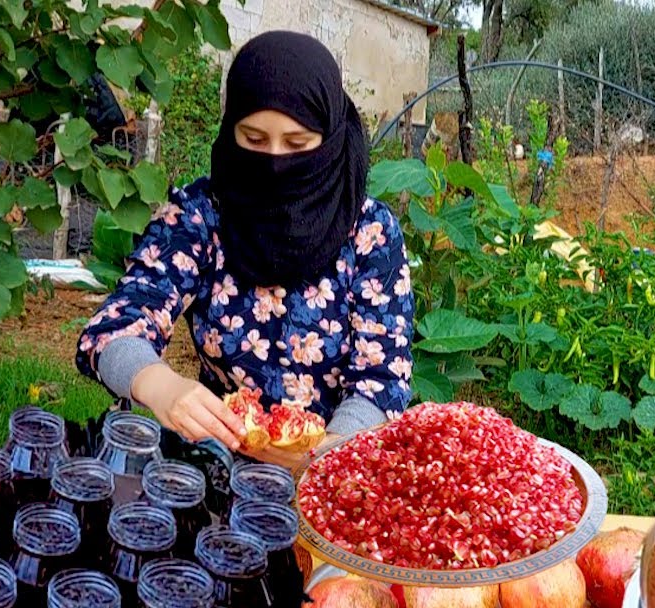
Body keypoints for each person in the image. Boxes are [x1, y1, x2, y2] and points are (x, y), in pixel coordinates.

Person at [76, 31, 413, 470]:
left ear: (329, 138)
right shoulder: (201, 215)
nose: (274, 162)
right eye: (253, 140)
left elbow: (382, 381)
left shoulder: (369, 232)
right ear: (230, 129)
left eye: (297, 145)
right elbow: (114, 329)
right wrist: (158, 385)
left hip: (338, 472)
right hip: (217, 462)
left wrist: (325, 454)